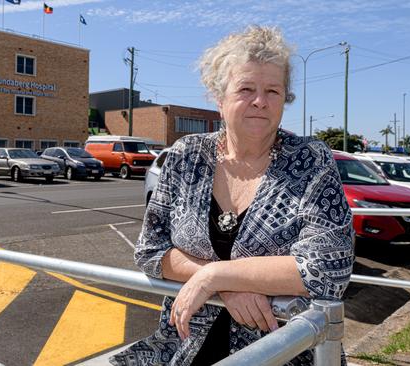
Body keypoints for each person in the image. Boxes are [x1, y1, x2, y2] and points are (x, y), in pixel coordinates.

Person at [110, 25, 354, 366]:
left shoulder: (311, 160)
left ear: (285, 98)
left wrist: (215, 276)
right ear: (219, 97)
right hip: (183, 347)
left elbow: (330, 268)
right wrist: (226, 286)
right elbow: (151, 250)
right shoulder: (186, 156)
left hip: (282, 352)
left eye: (273, 90)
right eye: (246, 88)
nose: (260, 101)